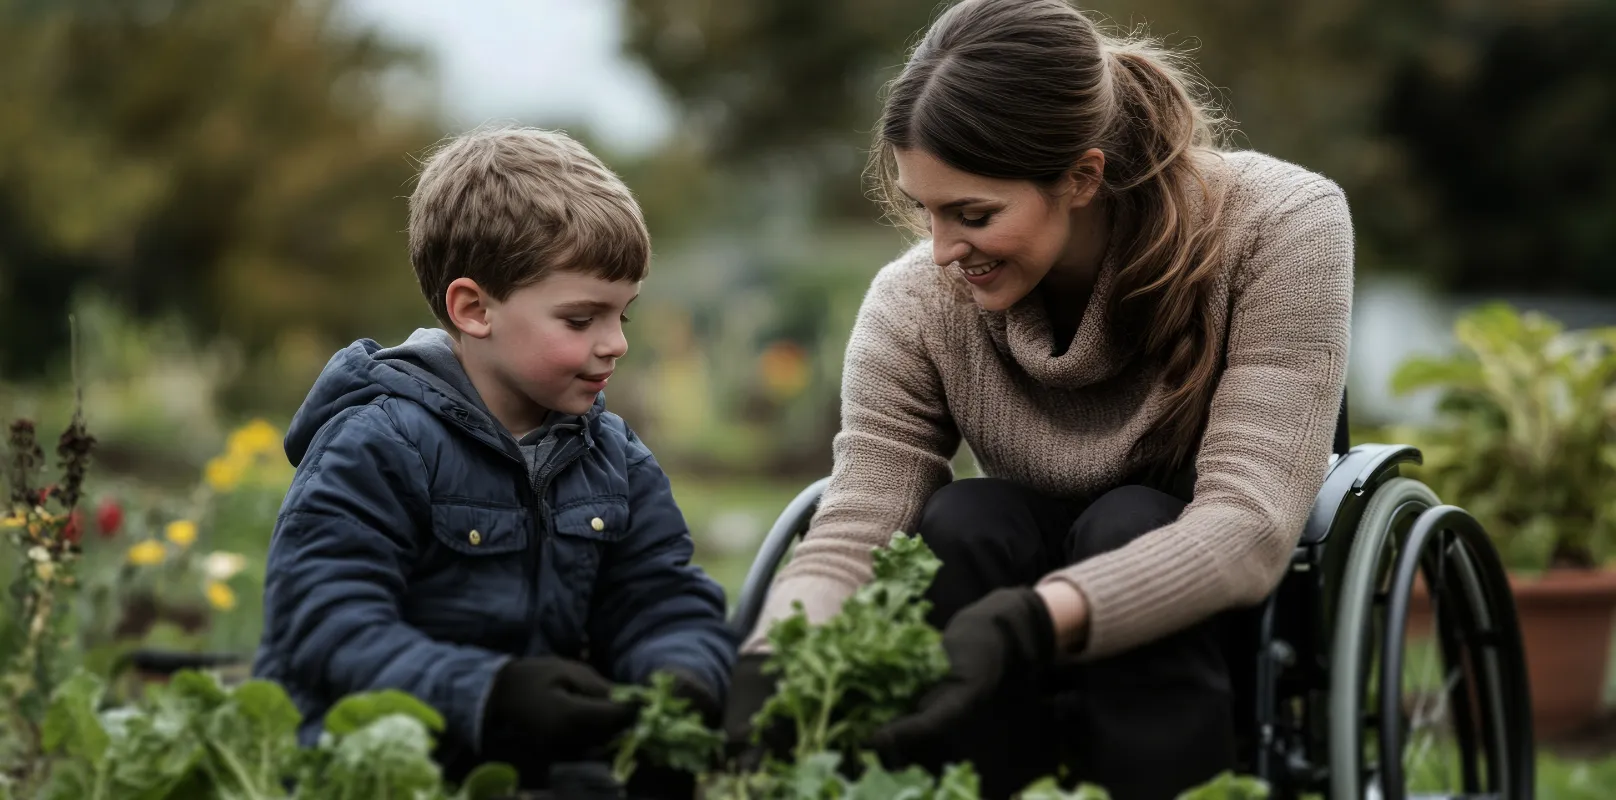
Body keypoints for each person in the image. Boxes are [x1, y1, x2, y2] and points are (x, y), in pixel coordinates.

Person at [723, 0, 1355, 797]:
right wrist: (771, 656)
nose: (943, 252)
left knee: (1128, 521)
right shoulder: (917, 298)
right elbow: (859, 517)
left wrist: (1035, 618)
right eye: (925, 212)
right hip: (1014, 580)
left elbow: (1249, 524)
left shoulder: (1280, 227)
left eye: (973, 215)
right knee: (960, 523)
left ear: (1082, 176)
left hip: (1215, 594)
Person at [253, 126, 735, 795]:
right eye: (581, 319)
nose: (615, 343)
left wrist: (681, 676)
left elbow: (660, 596)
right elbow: (326, 626)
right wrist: (490, 695)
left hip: (538, 769)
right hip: (371, 771)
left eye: (624, 315)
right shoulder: (378, 445)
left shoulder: (612, 454)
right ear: (474, 309)